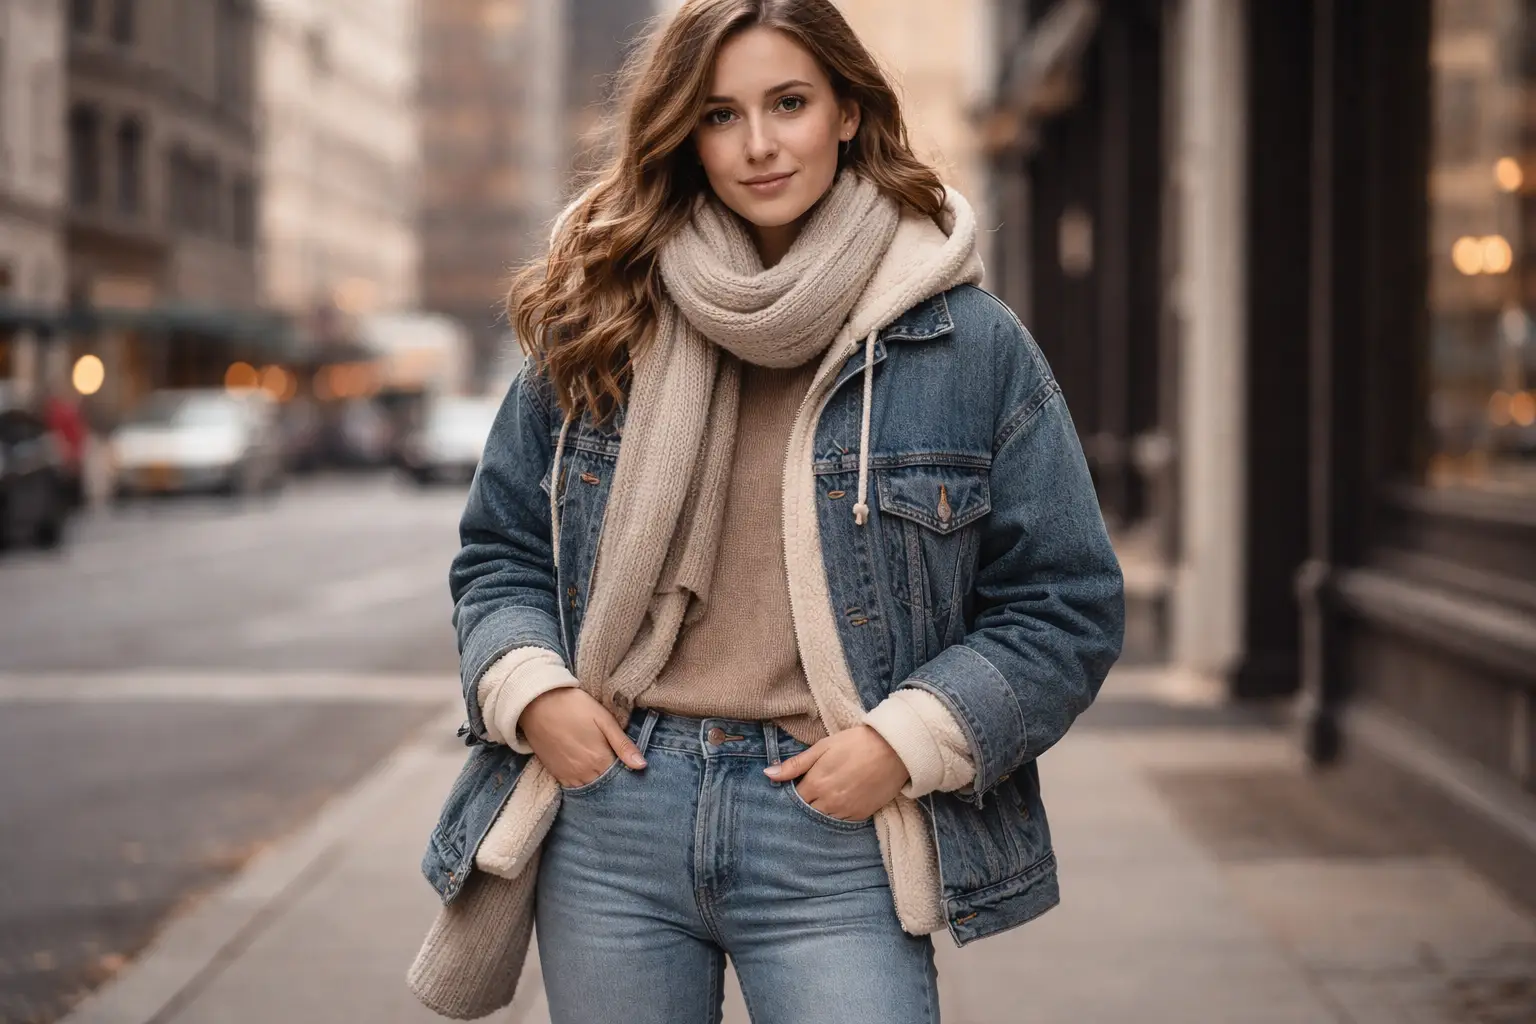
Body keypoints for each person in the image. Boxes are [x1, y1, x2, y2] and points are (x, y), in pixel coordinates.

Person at [408, 1, 1124, 1021]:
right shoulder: (605, 314)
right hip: (616, 811)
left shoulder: (967, 342)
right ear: (682, 135)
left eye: (788, 103)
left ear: (845, 109)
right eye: (718, 115)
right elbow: (503, 553)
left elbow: (1067, 603)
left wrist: (906, 740)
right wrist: (534, 692)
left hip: (834, 824)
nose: (757, 145)